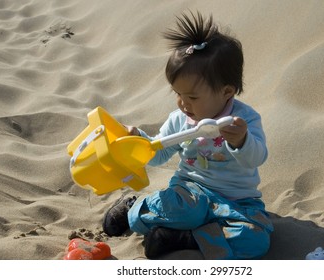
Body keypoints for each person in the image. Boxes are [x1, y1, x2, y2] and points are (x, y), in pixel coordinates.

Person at [102, 11, 273, 260]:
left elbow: (256, 158)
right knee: (185, 211)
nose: (183, 103)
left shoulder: (243, 120)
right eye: (178, 94)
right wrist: (139, 140)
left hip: (237, 201)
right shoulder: (180, 120)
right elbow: (159, 153)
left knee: (256, 240)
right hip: (189, 193)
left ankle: (184, 238)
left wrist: (241, 141)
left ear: (227, 92)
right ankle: (134, 208)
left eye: (192, 97)